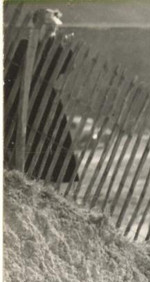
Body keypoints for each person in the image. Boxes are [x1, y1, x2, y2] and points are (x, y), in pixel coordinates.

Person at [3, 8, 79, 182]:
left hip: (44, 98)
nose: (51, 30)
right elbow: (10, 74)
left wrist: (64, 47)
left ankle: (47, 177)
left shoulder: (55, 49)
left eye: (53, 27)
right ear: (36, 25)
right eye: (48, 26)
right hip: (21, 96)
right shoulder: (24, 45)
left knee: (49, 136)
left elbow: (65, 68)